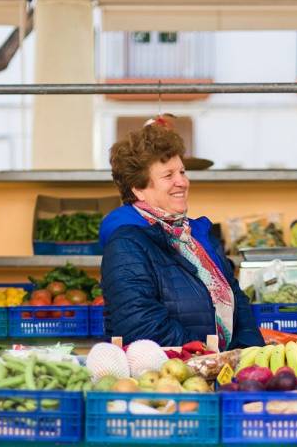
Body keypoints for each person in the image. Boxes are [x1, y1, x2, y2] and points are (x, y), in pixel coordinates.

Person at [99, 124, 264, 350]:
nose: (182, 182)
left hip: (221, 374)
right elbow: (141, 325)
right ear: (138, 188)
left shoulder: (195, 236)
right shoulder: (126, 245)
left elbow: (239, 303)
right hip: (170, 379)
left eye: (183, 172)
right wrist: (208, 356)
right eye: (168, 175)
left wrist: (247, 356)